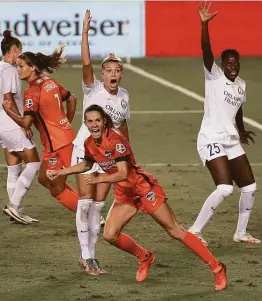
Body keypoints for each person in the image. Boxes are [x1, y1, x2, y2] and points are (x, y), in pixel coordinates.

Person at [47, 105, 227, 290]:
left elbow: (123, 173)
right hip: (125, 194)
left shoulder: (116, 140)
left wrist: (99, 178)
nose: (94, 125)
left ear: (104, 122)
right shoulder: (89, 144)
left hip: (143, 189)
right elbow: (87, 163)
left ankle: (217, 267)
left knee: (175, 231)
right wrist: (63, 172)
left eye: (97, 121)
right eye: (90, 121)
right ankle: (145, 257)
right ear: (85, 123)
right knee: (110, 235)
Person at [188, 1, 260, 245]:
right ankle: (194, 231)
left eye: (235, 63)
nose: (232, 67)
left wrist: (240, 130)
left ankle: (240, 232)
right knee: (225, 188)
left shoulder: (241, 85)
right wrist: (204, 25)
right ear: (222, 64)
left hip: (230, 140)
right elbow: (206, 51)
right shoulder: (214, 75)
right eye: (228, 63)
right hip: (210, 138)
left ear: (239, 65)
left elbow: (238, 108)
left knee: (249, 187)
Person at [70, 10, 130, 274]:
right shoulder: (92, 88)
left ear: (121, 74)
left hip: (108, 158)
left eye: (117, 70)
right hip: (85, 152)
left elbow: (122, 125)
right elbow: (85, 63)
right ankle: (86, 255)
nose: (112, 74)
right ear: (102, 73)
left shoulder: (124, 96)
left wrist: (126, 155)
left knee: (97, 206)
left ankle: (90, 256)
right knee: (84, 202)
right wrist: (84, 33)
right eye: (108, 70)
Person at [2, 45, 79, 212]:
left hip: (57, 145)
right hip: (63, 139)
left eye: (21, 66)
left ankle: (90, 214)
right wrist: (66, 122)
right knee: (44, 179)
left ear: (33, 68)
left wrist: (8, 111)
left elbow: (26, 123)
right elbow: (72, 98)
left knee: (57, 189)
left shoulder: (32, 91)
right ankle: (84, 207)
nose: (17, 70)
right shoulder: (49, 81)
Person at [0, 29, 41, 224]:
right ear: (14, 49)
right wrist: (22, 122)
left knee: (14, 167)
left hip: (1, 124)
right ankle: (14, 206)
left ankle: (15, 211)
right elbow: (8, 98)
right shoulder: (9, 70)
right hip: (9, 121)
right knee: (33, 162)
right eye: (21, 50)